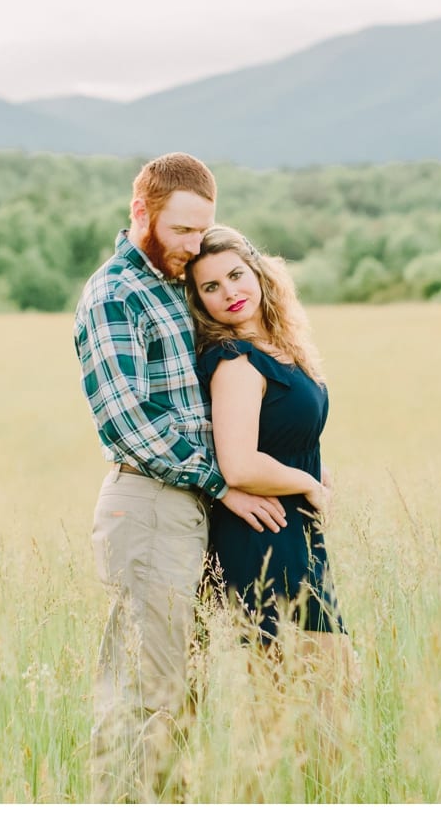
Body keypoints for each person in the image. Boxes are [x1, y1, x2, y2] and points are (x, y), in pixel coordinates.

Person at [73, 153, 285, 804]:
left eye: (204, 231)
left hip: (187, 506)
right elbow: (128, 422)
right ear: (142, 211)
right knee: (145, 697)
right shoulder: (113, 293)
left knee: (180, 695)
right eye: (182, 229)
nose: (194, 246)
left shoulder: (171, 283)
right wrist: (223, 482)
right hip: (150, 504)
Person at [184, 226, 350, 668]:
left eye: (236, 275)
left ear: (257, 271)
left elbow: (277, 431)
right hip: (262, 535)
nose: (229, 293)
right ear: (200, 301)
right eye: (211, 287)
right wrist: (308, 483)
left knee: (330, 688)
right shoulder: (235, 359)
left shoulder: (279, 346)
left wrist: (315, 466)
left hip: (296, 533)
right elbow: (238, 465)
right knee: (298, 695)